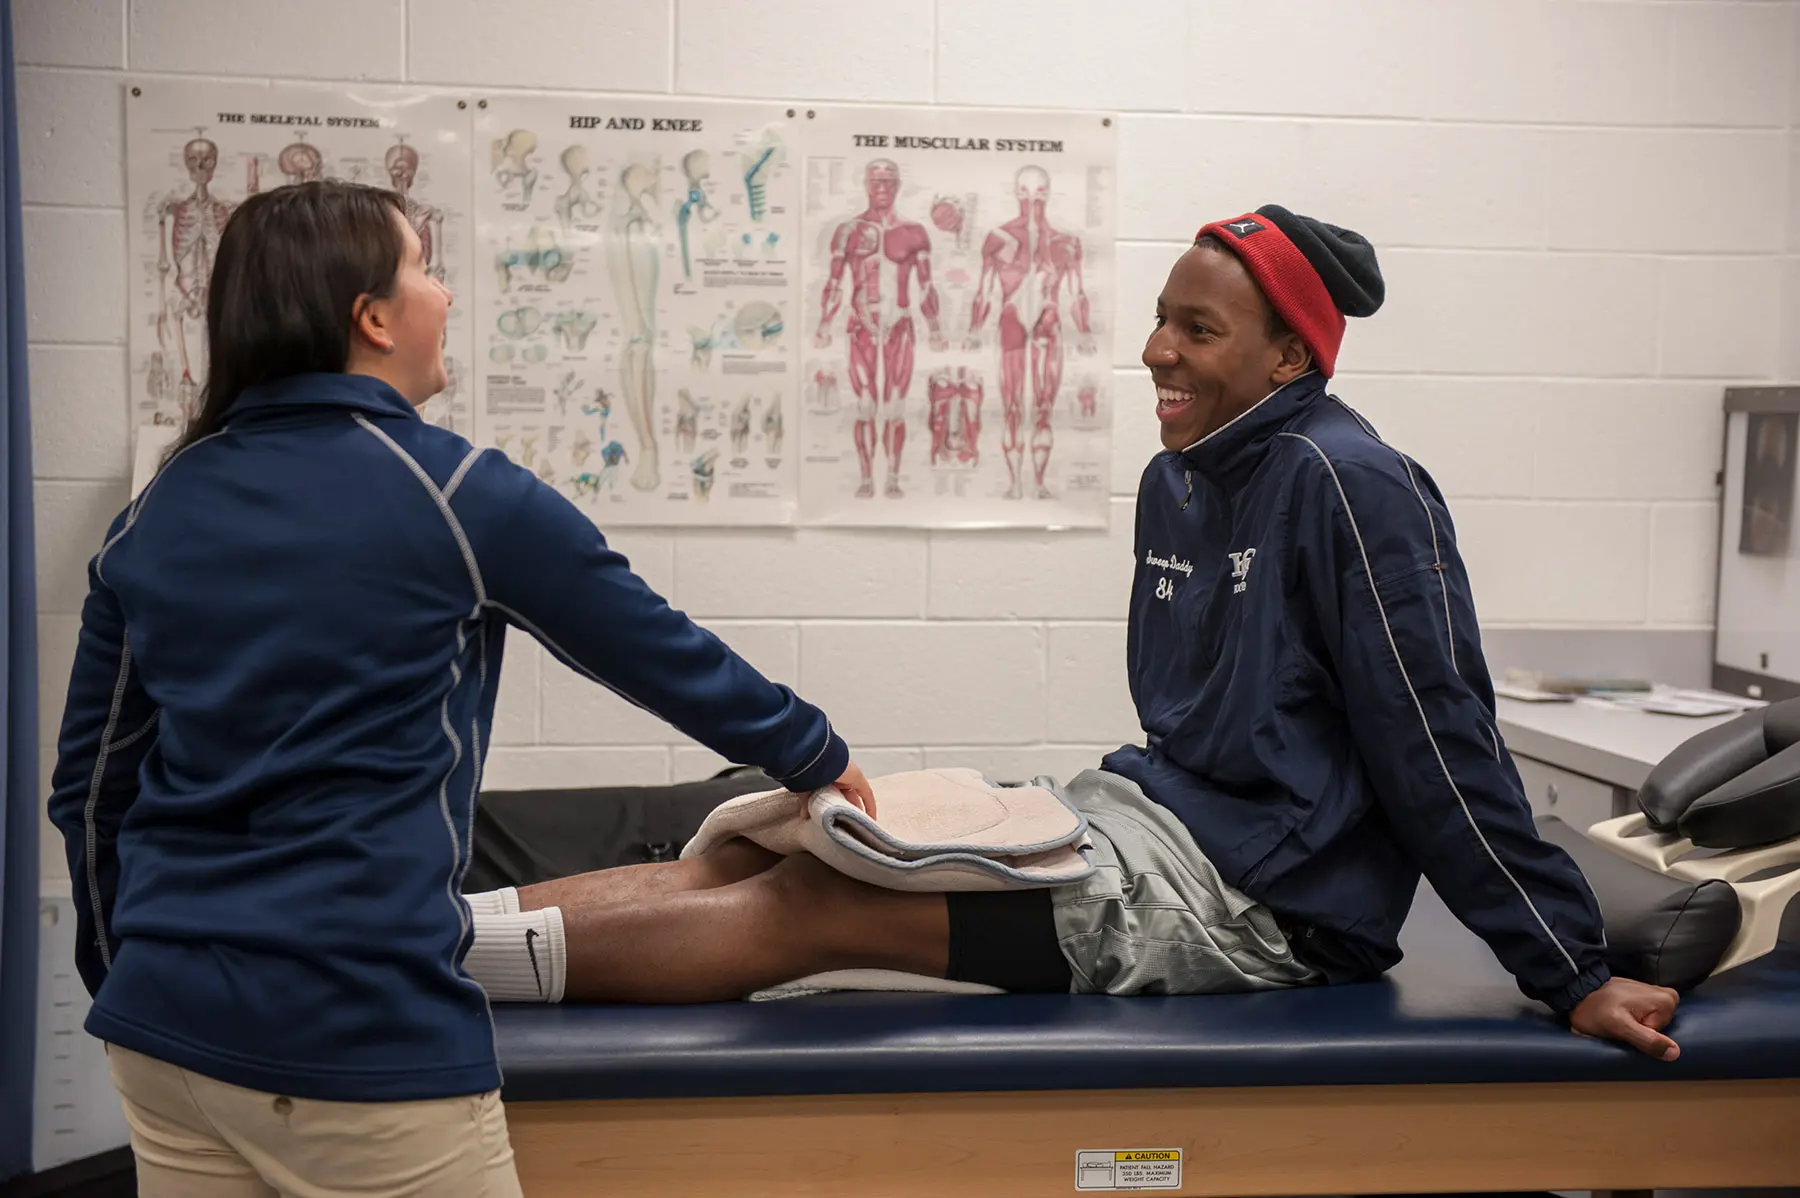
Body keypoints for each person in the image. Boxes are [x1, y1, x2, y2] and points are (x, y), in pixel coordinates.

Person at [455, 205, 1683, 1064]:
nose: (1157, 349)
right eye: (1161, 318)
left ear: (1290, 354)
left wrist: (1569, 970)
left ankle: (425, 966)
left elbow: (1440, 747)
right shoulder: (1184, 475)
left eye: (1199, 331)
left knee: (806, 908)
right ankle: (422, 935)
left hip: (1268, 907)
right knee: (761, 840)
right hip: (1144, 820)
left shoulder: (1352, 484)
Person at [44, 179, 876, 1198]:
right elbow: (653, 647)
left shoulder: (159, 508)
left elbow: (89, 791)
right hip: (359, 1038)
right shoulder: (453, 491)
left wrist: (120, 967)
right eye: (426, 269)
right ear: (374, 317)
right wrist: (812, 753)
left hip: (166, 1037)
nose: (447, 295)